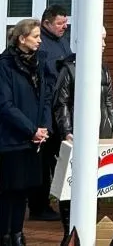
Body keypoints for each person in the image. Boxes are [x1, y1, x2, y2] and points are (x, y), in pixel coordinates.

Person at [53, 27, 113, 246]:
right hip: (74, 135)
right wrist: (67, 131)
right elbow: (61, 103)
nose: (104, 44)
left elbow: (108, 101)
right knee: (70, 184)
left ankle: (90, 227)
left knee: (96, 184)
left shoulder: (104, 69)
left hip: (99, 133)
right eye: (100, 39)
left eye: (105, 39)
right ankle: (69, 232)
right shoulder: (70, 69)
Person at [0, 20, 54, 246]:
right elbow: (5, 104)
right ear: (22, 39)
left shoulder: (39, 64)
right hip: (11, 139)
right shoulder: (5, 65)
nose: (40, 40)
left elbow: (46, 98)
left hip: (33, 140)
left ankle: (18, 233)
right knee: (7, 191)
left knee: (23, 190)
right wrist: (30, 129)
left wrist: (44, 128)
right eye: (35, 36)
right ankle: (4, 235)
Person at [28, 5, 71, 222]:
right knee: (43, 162)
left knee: (55, 160)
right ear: (46, 23)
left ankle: (48, 202)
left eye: (65, 22)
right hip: (45, 110)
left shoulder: (61, 41)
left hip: (58, 110)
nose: (64, 26)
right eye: (59, 23)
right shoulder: (40, 43)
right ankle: (38, 206)